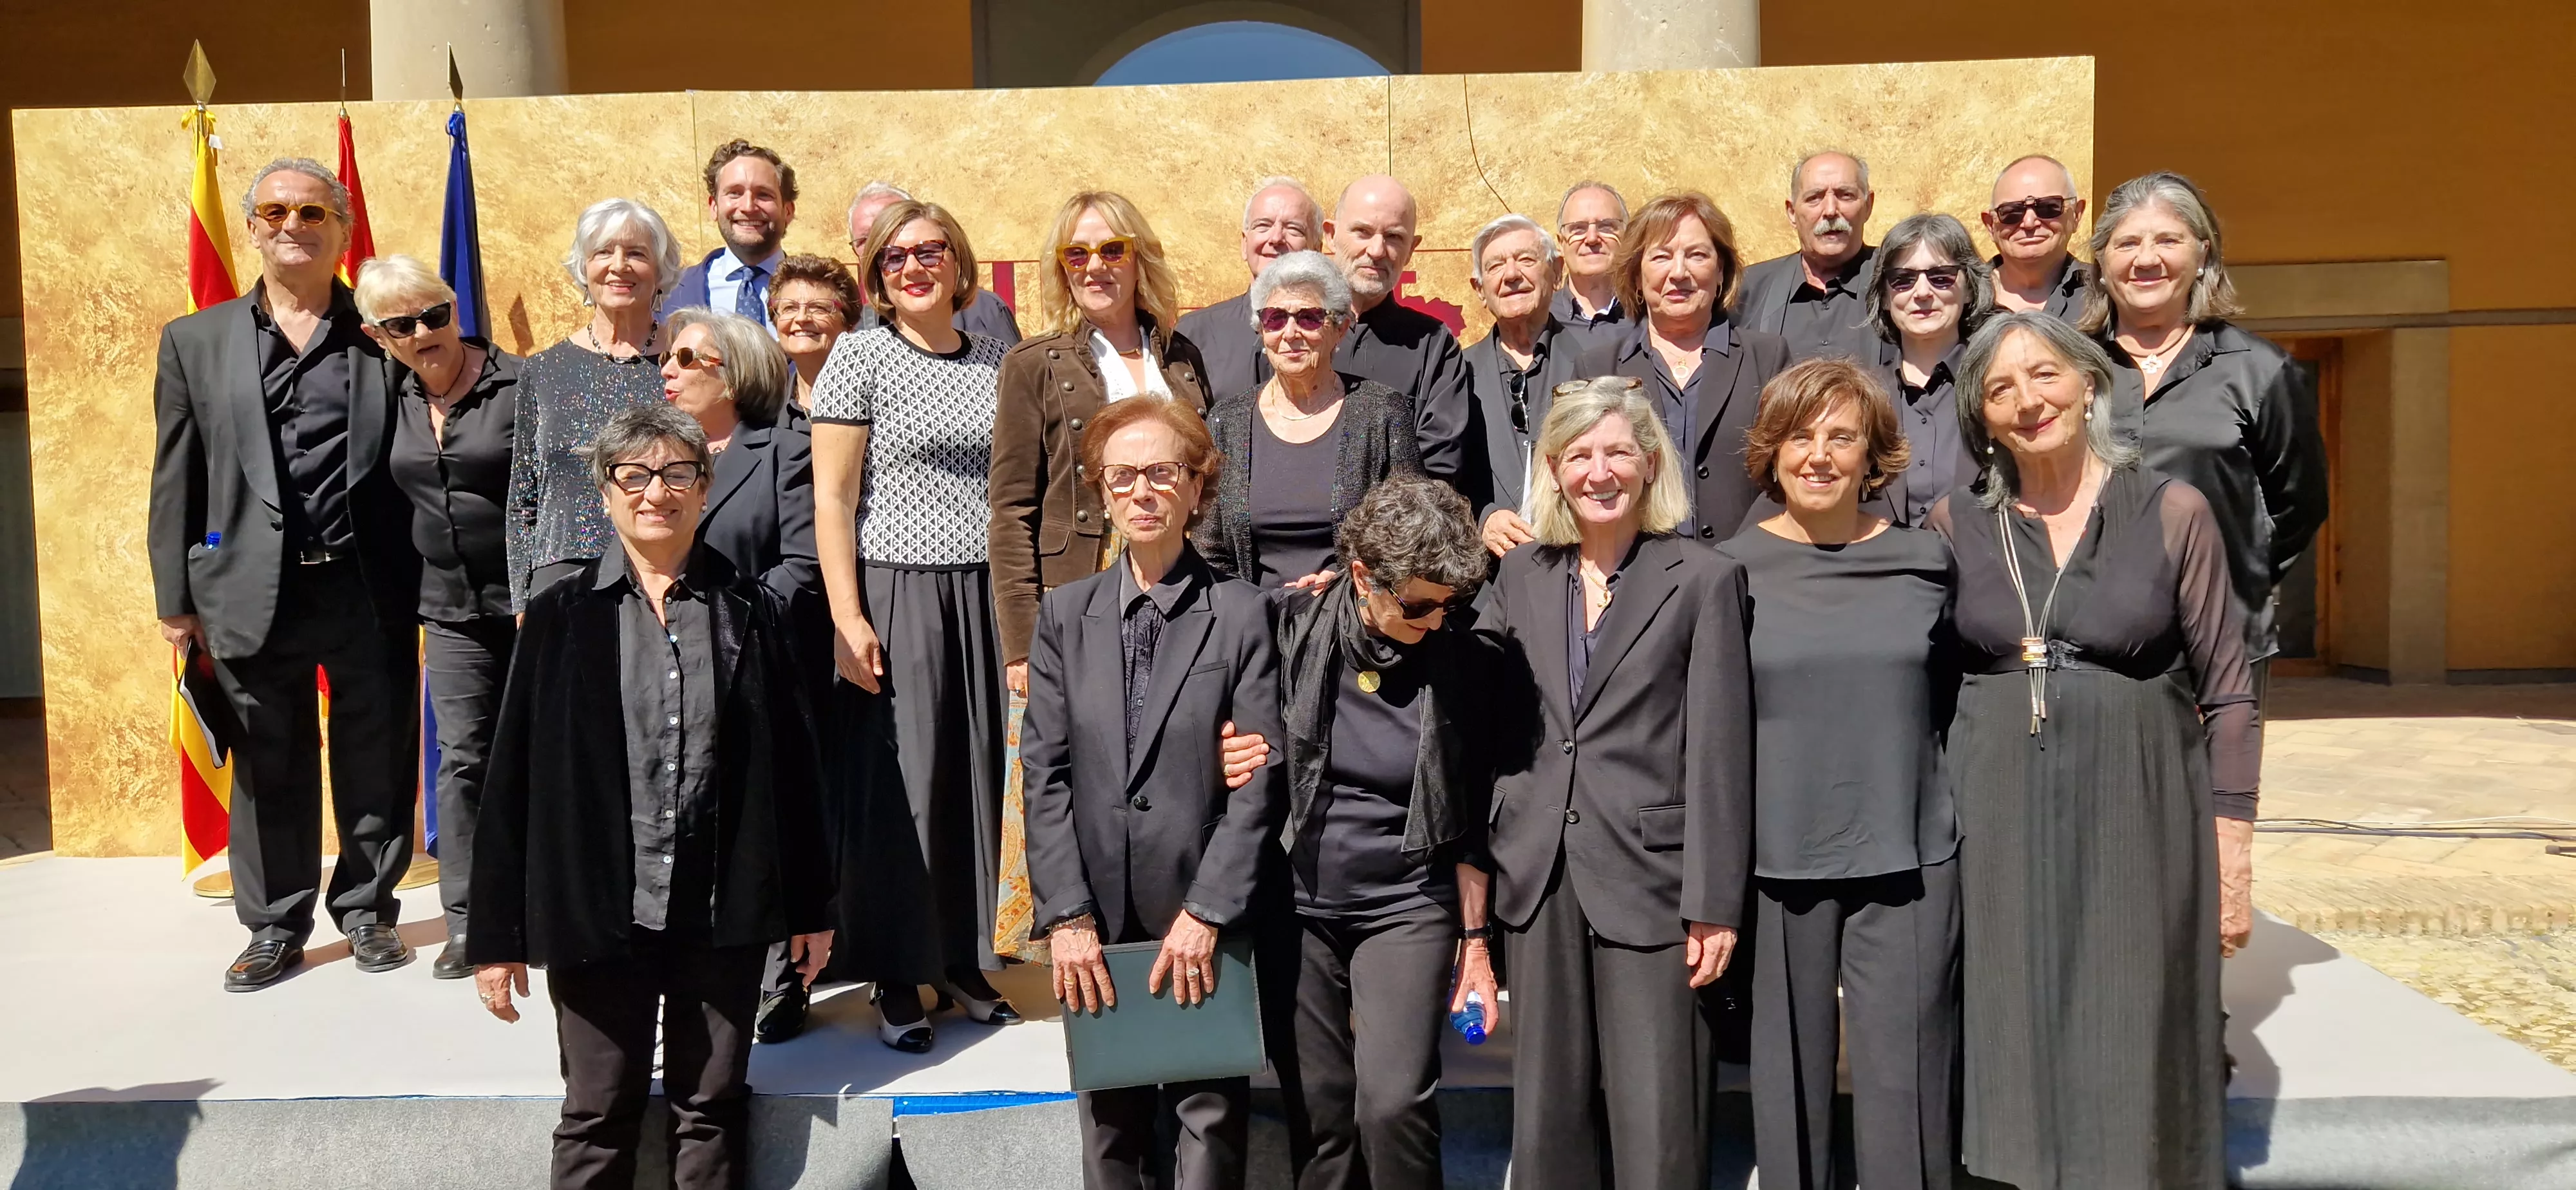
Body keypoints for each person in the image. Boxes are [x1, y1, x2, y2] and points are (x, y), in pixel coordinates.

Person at [468, 404, 835, 1190]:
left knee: (711, 1106)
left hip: (720, 913)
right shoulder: (561, 618)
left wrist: (810, 907)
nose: (654, 493)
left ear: (703, 490)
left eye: (676, 474)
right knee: (598, 1110)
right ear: (604, 493)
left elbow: (795, 772)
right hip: (600, 912)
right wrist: (495, 933)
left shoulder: (753, 610)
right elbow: (510, 781)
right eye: (632, 476)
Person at [1929, 310, 2257, 1188]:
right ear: (1981, 418)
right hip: (1994, 810)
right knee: (2010, 1008)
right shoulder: (1956, 524)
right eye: (2000, 388)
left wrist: (2233, 853)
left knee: (2130, 1005)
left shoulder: (2172, 510)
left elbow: (2229, 692)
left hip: (2140, 806)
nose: (2027, 400)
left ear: (2088, 385)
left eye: (2045, 377)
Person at [150, 158, 423, 990]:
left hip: (366, 582)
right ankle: (275, 926)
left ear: (341, 227)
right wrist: (175, 600)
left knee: (376, 754)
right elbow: (175, 474)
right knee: (270, 764)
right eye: (274, 211)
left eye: (311, 211)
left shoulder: (390, 334)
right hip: (243, 589)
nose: (291, 225)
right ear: (253, 226)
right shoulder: (194, 342)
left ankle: (369, 911)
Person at [1482, 377, 1754, 1190]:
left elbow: (1719, 747)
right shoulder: (1521, 574)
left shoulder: (1703, 577)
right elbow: (1487, 718)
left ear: (1647, 464)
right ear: (1555, 470)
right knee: (1546, 1119)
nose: (1598, 473)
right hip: (1538, 874)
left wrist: (1714, 901)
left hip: (1655, 879)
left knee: (1661, 1118)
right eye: (1578, 456)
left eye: (1616, 453)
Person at [1019, 394, 1288, 1190]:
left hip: (1201, 916)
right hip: (1095, 924)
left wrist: (1208, 912)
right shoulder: (1064, 615)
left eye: (1162, 474)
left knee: (1208, 1136)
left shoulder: (1241, 614)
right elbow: (1045, 773)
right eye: (1122, 476)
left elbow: (1258, 779)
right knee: (1110, 1141)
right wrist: (1065, 915)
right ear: (1101, 492)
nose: (1142, 492)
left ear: (1197, 489)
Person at [1719, 359, 1960, 1190]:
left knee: (1910, 1079)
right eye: (1798, 437)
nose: (1818, 456)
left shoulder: (1927, 563)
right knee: (1788, 1081)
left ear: (1872, 454)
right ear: (1771, 453)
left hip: (1909, 854)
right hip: (1779, 859)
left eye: (1840, 437)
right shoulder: (1725, 573)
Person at [810, 198, 1019, 1050]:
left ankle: (963, 959)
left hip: (983, 595)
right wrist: (847, 612)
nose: (915, 267)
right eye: (895, 258)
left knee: (975, 780)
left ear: (960, 264)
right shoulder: (858, 355)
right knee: (904, 788)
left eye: (932, 250)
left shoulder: (1000, 360)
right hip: (897, 590)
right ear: (876, 278)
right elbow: (832, 495)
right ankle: (897, 973)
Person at [1269, 475, 1502, 1190]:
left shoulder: (1462, 658)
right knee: (1319, 1107)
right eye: (1418, 605)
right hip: (1296, 902)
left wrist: (1475, 945)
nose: (1434, 620)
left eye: (1448, 604)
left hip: (1406, 901)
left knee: (1393, 1101)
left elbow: (1470, 819)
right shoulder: (1289, 628)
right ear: (1363, 576)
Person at [2084, 171, 2329, 699]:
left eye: (2168, 240)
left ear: (2202, 255)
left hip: (2219, 643)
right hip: (2088, 638)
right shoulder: (2069, 366)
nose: (2146, 259)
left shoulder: (2260, 370)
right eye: (2127, 242)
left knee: (2214, 785)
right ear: (2102, 263)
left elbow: (2299, 504)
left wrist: (2228, 573)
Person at [661, 307, 828, 1042]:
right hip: (670, 673)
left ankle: (777, 979)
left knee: (762, 822)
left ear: (735, 374)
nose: (668, 369)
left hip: (760, 667)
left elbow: (804, 564)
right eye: (668, 357)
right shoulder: (660, 455)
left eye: (689, 359)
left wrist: (731, 623)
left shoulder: (783, 449)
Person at [358, 252, 522, 981]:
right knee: (463, 762)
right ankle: (471, 921)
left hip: (531, 604)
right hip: (449, 611)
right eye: (403, 324)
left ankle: (558, 905)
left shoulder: (523, 385)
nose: (425, 332)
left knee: (553, 756)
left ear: (456, 309)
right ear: (377, 335)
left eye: (436, 314)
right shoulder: (384, 398)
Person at [991, 190, 1213, 688]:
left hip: (1181, 577)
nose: (1094, 267)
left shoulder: (1182, 358)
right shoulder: (1032, 365)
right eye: (1077, 253)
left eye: (1112, 250)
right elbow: (1011, 510)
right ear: (1062, 269)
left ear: (1140, 261)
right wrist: (1022, 644)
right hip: (1079, 585)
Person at [1196, 250, 1423, 589]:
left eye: (1309, 318)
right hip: (1256, 625)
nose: (1290, 333)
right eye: (1275, 318)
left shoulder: (1383, 413)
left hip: (1353, 622)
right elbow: (1207, 548)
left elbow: (1411, 533)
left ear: (1340, 328)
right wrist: (1258, 605)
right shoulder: (1227, 422)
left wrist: (1346, 586)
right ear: (1261, 330)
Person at [507, 198, 679, 609]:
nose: (619, 265)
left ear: (660, 271)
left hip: (666, 573)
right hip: (560, 580)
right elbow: (523, 499)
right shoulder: (543, 370)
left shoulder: (684, 361)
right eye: (603, 252)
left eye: (636, 253)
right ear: (584, 268)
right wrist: (522, 602)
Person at [1607, 192, 1793, 544]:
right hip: (1636, 577)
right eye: (1661, 256)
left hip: (1748, 572)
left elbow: (1788, 470)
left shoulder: (1767, 359)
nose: (1679, 273)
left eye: (1697, 255)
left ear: (1720, 271)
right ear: (1636, 276)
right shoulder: (1599, 368)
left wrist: (1744, 551)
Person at [1462, 213, 1614, 557]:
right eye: (1496, 266)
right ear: (1480, 290)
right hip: (1484, 589)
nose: (1512, 275)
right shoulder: (1456, 372)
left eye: (1526, 260)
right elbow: (1438, 473)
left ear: (1557, 273)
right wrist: (1481, 518)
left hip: (1584, 568)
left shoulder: (1601, 366)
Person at [1320, 175, 1473, 484]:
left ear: (1412, 249)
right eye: (1362, 232)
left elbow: (1437, 469)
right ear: (1330, 235)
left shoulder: (1434, 346)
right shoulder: (1290, 335)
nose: (1377, 250)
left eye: (1393, 237)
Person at [1859, 212, 1991, 525]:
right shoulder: (1860, 395)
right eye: (1903, 280)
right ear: (1886, 298)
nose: (1921, 293)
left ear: (1970, 289)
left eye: (1941, 277)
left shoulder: (2000, 385)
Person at [1177, 176, 1325, 402]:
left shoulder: (1332, 335)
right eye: (1263, 226)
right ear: (1244, 244)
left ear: (1317, 249)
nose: (1276, 238)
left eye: (1294, 229)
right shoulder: (1194, 334)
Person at [1736, 150, 1883, 364]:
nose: (1831, 211)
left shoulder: (1898, 282)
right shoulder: (1749, 290)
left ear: (1868, 205)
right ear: (1792, 212)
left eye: (1845, 195)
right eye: (1814, 198)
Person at [846, 181, 1022, 345]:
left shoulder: (987, 314)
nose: (911, 267)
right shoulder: (855, 342)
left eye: (927, 251)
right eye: (864, 240)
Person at [661, 139, 795, 330]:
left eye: (764, 194)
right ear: (714, 207)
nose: (748, 207)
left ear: (788, 211)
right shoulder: (670, 293)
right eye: (734, 193)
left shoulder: (821, 296)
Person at [1983, 154, 2090, 319]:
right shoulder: (1959, 299)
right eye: (2012, 212)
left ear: (2076, 215)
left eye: (2049, 207)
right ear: (1990, 225)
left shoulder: (2108, 294)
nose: (2029, 223)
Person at [768, 254, 864, 414]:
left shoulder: (880, 404)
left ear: (849, 323)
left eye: (819, 308)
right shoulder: (765, 411)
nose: (801, 318)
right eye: (790, 308)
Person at [1550, 180, 1630, 339]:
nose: (1592, 238)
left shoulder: (1650, 317)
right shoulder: (1541, 321)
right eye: (1578, 228)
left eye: (1606, 226)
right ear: (1561, 243)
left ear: (1627, 237)